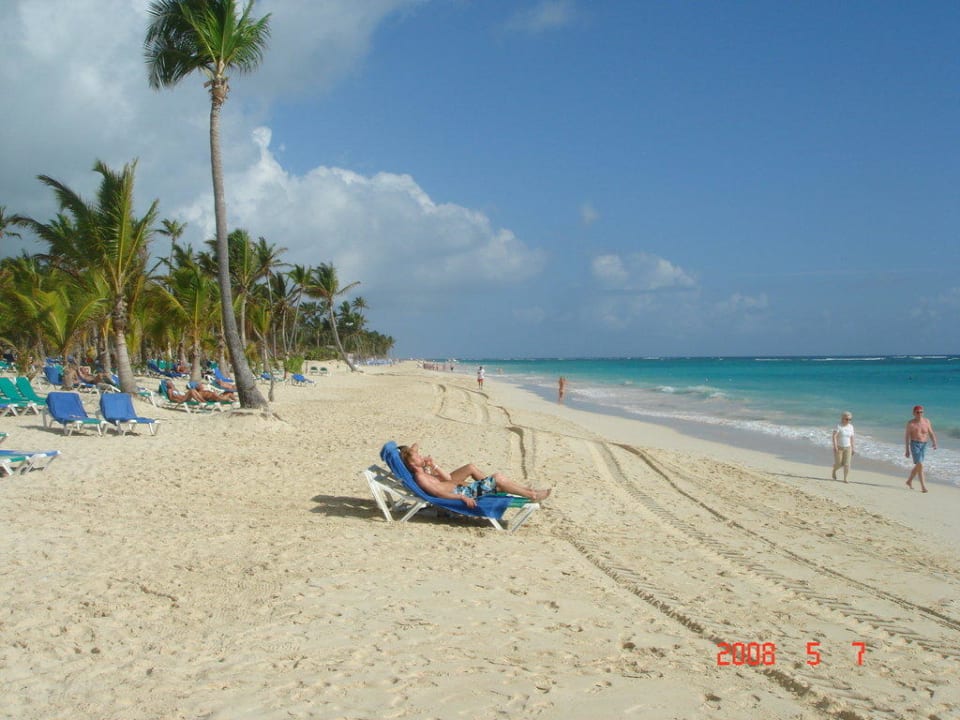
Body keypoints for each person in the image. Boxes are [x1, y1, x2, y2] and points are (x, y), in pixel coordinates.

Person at [399, 443, 550, 509]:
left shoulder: (422, 472)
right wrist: (462, 498)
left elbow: (445, 480)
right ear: (412, 464)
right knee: (497, 478)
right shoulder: (421, 478)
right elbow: (438, 493)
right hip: (463, 493)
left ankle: (526, 491)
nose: (420, 455)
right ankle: (532, 494)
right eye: (417, 456)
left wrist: (431, 465)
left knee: (497, 480)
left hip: (464, 490)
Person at [905, 405, 937, 493]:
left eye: (921, 412)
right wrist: (907, 450)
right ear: (913, 413)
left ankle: (909, 481)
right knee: (921, 465)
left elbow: (931, 432)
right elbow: (907, 437)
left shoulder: (927, 421)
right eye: (917, 412)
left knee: (918, 465)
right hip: (914, 444)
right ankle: (923, 487)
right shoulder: (910, 423)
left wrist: (934, 442)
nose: (920, 414)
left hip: (924, 445)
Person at [831, 411, 855, 482]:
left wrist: (853, 448)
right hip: (839, 448)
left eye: (850, 419)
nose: (848, 421)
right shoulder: (838, 426)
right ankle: (834, 470)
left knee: (847, 464)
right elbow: (834, 436)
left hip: (848, 448)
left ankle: (845, 478)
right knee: (839, 464)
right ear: (842, 418)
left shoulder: (851, 427)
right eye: (847, 419)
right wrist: (835, 446)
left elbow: (852, 438)